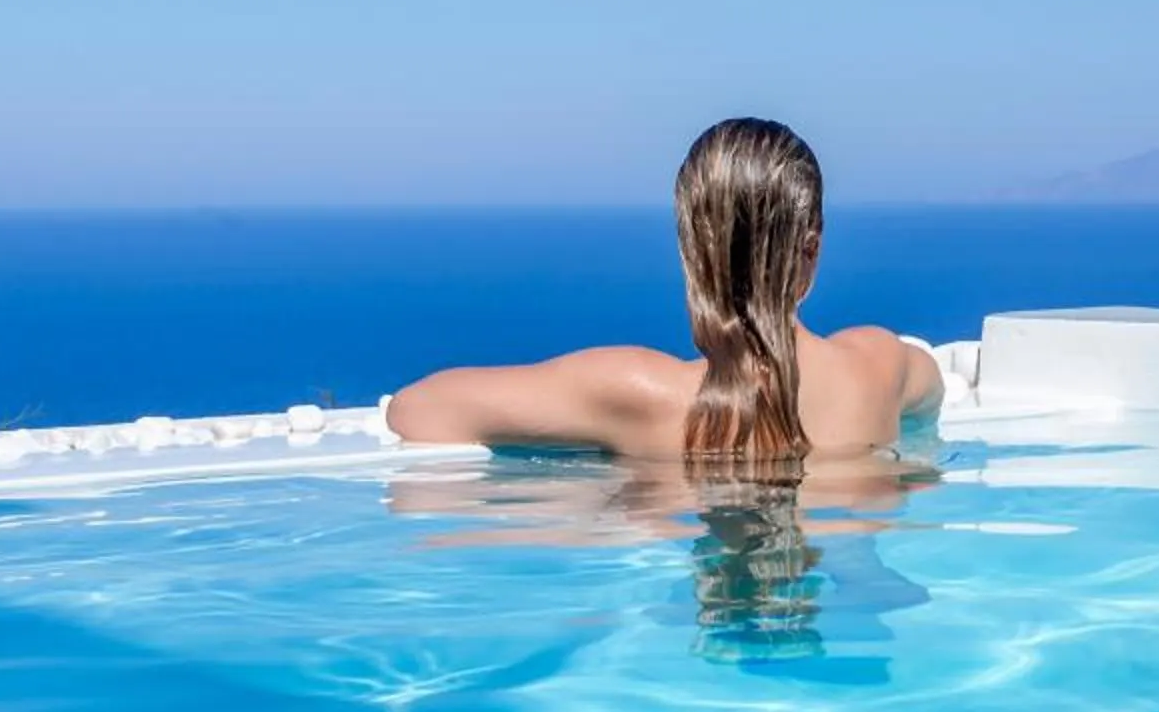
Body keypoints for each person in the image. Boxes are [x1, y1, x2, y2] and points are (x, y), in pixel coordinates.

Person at [385, 117, 943, 464]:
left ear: (692, 251)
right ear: (812, 249)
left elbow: (416, 410)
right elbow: (932, 393)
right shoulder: (878, 363)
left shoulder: (639, 394)